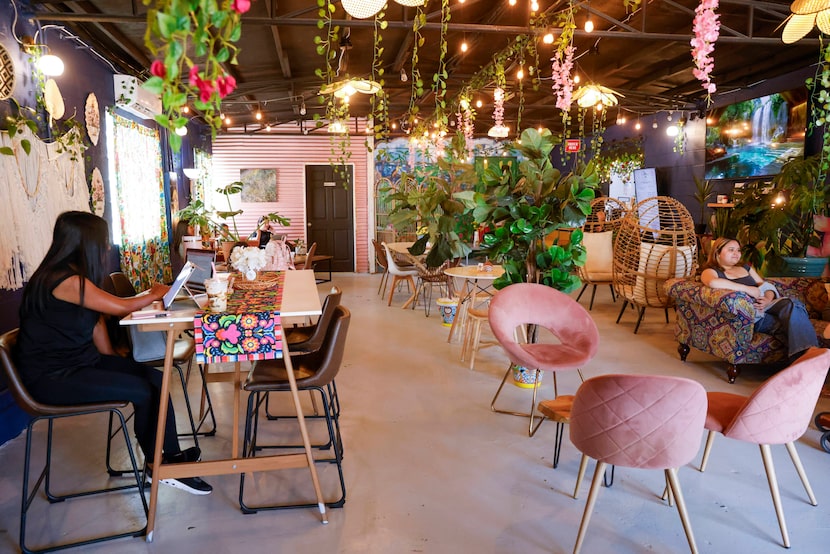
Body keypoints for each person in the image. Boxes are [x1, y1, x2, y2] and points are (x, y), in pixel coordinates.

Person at [14, 211, 212, 495]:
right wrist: (154, 293)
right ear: (85, 243)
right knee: (143, 390)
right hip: (53, 378)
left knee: (156, 379)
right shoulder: (64, 281)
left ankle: (168, 457)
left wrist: (113, 360)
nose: (107, 247)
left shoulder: (73, 278)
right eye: (103, 241)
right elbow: (119, 308)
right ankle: (163, 465)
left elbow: (97, 320)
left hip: (82, 363)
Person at [701, 236, 818, 361]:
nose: (736, 254)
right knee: (792, 322)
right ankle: (809, 358)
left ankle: (807, 358)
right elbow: (713, 283)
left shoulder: (745, 268)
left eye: (738, 250)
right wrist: (747, 289)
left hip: (767, 305)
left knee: (792, 304)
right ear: (717, 252)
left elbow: (765, 286)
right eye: (731, 250)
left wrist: (767, 298)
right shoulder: (711, 271)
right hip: (751, 315)